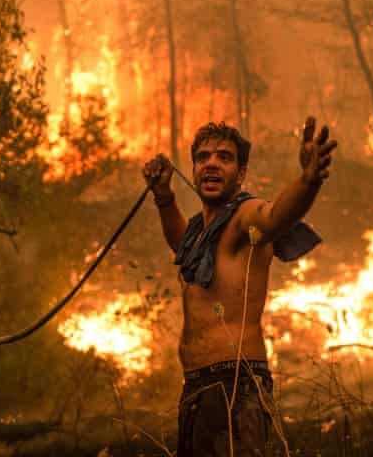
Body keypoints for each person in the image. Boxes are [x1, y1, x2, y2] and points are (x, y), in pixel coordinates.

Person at [142, 117, 337, 457]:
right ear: (194, 168)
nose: (211, 164)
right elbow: (181, 246)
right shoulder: (199, 231)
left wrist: (308, 180)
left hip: (237, 383)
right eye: (203, 157)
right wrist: (164, 197)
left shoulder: (244, 218)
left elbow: (275, 218)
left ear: (241, 172)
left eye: (224, 157)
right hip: (196, 386)